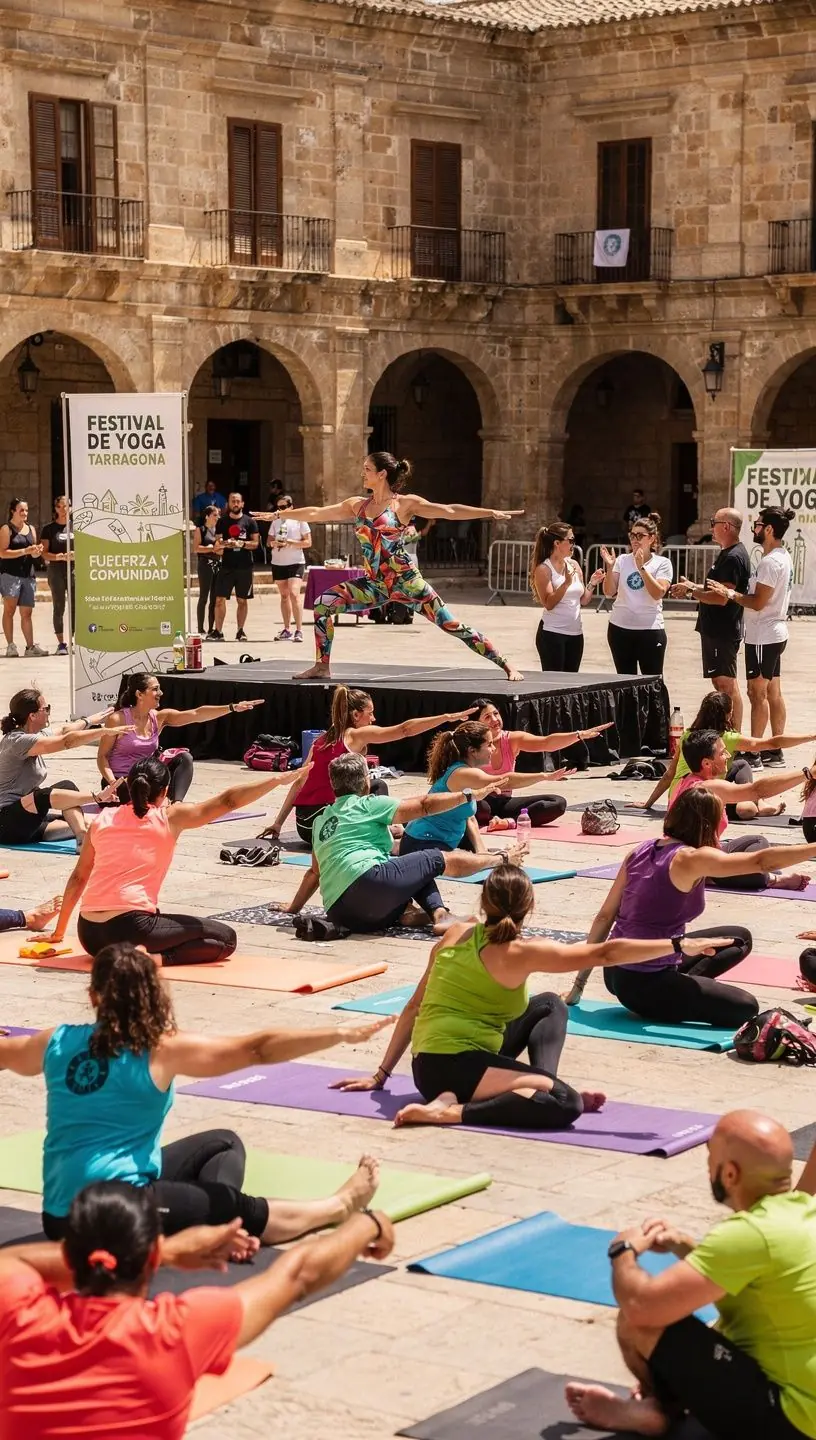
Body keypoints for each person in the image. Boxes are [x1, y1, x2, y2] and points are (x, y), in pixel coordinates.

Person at [0, 940, 392, 1246]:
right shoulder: (160, 1049)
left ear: (93, 997)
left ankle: (198, 1220)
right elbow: (257, 1049)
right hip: (112, 1217)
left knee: (222, 1144)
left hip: (58, 1217)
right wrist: (339, 1033)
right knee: (237, 1207)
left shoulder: (55, 1042)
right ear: (154, 995)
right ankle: (337, 1207)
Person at [330, 863, 731, 1131]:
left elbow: (414, 1007)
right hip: (451, 1068)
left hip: (429, 1064)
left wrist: (381, 1075)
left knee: (550, 1004)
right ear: (530, 906)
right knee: (566, 1103)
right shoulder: (522, 951)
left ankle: (531, 1084)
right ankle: (452, 1111)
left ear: (483, 902)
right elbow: (606, 953)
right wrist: (678, 945)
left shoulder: (455, 933)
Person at [0, 1180, 393, 1440]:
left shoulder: (18, 1314)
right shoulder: (177, 1331)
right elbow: (298, 1276)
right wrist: (368, 1225)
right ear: (150, 1255)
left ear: (70, 1254)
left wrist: (163, 1252)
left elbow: (12, 1261)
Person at [566, 1110, 816, 1440]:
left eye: (710, 1156)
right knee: (714, 1325)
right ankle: (657, 1405)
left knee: (640, 1319)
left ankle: (659, 1411)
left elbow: (642, 1306)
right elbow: (754, 1275)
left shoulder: (748, 1234)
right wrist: (683, 1244)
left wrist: (622, 1250)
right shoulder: (804, 1212)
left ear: (730, 1173)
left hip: (792, 1422)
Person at [569, 785, 816, 1027]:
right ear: (707, 823)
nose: (725, 822)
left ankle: (678, 987)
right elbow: (761, 861)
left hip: (615, 972)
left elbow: (605, 917)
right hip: (643, 982)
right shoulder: (692, 858)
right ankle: (669, 993)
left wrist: (578, 986)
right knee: (745, 1007)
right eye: (721, 816)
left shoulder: (640, 850)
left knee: (739, 939)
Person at [273, 452, 523, 680]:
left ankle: (505, 663)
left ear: (382, 474)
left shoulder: (404, 504)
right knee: (323, 604)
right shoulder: (357, 505)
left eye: (367, 469)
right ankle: (322, 667)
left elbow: (448, 510)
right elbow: (316, 513)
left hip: (408, 583)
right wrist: (279, 515)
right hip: (374, 585)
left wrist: (489, 512)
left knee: (453, 626)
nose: (362, 473)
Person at [51, 755, 307, 963]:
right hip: (131, 930)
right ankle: (154, 960)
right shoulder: (169, 817)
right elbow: (228, 801)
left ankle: (143, 950)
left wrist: (59, 932)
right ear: (164, 791)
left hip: (90, 935)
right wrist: (276, 780)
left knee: (166, 923)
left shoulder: (102, 819)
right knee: (226, 939)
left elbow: (79, 877)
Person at [311, 751, 526, 934]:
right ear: (365, 782)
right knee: (433, 858)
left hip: (342, 914)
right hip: (371, 889)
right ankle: (501, 860)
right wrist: (469, 795)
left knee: (412, 867)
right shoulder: (367, 804)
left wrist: (295, 909)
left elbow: (314, 873)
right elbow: (424, 805)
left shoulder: (321, 820)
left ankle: (420, 912)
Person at [266, 686, 478, 848]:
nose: (374, 719)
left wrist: (278, 824)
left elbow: (298, 783)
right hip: (327, 826)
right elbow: (404, 730)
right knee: (378, 790)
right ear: (356, 715)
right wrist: (446, 718)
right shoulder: (355, 735)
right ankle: (385, 832)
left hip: (305, 826)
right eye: (370, 713)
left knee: (375, 785)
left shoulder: (320, 740)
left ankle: (386, 828)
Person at [399, 721, 570, 863]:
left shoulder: (466, 772)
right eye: (489, 745)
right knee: (483, 862)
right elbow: (505, 780)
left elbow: (469, 818)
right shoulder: (461, 773)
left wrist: (482, 851)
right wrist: (544, 776)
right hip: (422, 842)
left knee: (485, 859)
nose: (493, 749)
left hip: (441, 842)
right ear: (472, 751)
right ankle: (396, 847)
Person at [661, 728, 811, 887]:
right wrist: (806, 774)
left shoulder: (685, 780)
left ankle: (755, 874)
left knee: (757, 846)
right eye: (722, 753)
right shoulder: (708, 788)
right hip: (697, 862)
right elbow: (757, 790)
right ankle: (772, 880)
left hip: (684, 856)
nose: (728, 756)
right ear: (706, 763)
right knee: (760, 851)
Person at [708, 505, 795, 768]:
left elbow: (758, 602)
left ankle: (755, 753)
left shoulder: (770, 562)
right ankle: (775, 751)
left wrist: (729, 594)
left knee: (756, 693)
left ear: (768, 529)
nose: (753, 528)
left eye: (757, 524)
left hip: (763, 634)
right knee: (772, 692)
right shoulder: (781, 556)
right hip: (773, 631)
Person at [642, 690, 816, 820]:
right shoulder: (726, 738)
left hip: (676, 799)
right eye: (723, 752)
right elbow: (773, 743)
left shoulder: (688, 736)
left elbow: (669, 774)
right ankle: (753, 803)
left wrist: (648, 803)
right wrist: (811, 737)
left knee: (739, 764)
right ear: (727, 715)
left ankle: (753, 803)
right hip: (700, 801)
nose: (725, 753)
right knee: (744, 771)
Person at [97, 672, 263, 805]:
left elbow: (196, 714)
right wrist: (112, 783)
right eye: (155, 689)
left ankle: (176, 804)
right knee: (135, 800)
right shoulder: (117, 719)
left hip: (146, 781)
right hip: (120, 783)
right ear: (139, 694)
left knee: (184, 758)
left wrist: (232, 707)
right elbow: (102, 756)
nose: (160, 693)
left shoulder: (159, 717)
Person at [0, 690, 128, 846]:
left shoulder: (34, 735)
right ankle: (96, 800)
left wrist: (90, 720)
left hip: (28, 819)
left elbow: (64, 730)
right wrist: (103, 732)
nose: (49, 712)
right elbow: (67, 741)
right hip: (7, 823)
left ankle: (82, 835)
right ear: (32, 715)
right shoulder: (17, 741)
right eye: (46, 709)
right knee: (41, 796)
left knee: (67, 788)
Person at [470, 698, 613, 825]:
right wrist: (543, 776)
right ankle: (490, 818)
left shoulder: (511, 739)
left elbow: (546, 742)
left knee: (557, 803)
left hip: (504, 802)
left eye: (496, 714)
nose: (495, 719)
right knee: (479, 806)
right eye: (487, 717)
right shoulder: (469, 745)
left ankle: (508, 821)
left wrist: (579, 735)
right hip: (481, 800)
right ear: (476, 723)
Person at [672, 506, 751, 730]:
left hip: (722, 630)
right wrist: (693, 586)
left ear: (726, 526)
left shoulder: (733, 557)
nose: (710, 528)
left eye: (713, 523)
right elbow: (716, 589)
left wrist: (691, 591)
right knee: (722, 682)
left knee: (726, 685)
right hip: (717, 629)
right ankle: (729, 732)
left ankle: (733, 734)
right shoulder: (728, 553)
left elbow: (721, 598)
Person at [602, 514, 672, 676]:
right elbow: (609, 592)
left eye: (640, 536)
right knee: (625, 681)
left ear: (652, 539)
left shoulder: (662, 563)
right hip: (620, 628)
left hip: (650, 630)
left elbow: (658, 593)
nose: (635, 539)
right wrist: (610, 567)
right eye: (632, 535)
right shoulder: (622, 560)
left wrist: (641, 568)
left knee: (652, 681)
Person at [530, 521, 603, 672]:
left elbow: (583, 600)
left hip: (575, 633)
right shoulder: (544, 569)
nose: (573, 544)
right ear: (557, 543)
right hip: (552, 633)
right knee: (555, 681)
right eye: (570, 540)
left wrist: (592, 583)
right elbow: (549, 603)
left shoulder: (574, 565)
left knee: (571, 680)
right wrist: (566, 583)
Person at [0, 497, 46, 658]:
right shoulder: (6, 529)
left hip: (28, 575)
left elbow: (33, 554)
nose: (25, 513)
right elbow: (2, 553)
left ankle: (30, 647)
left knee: (27, 613)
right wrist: (25, 551)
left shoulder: (31, 529)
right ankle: (11, 646)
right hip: (10, 575)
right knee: (9, 611)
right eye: (21, 510)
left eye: (26, 510)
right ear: (13, 511)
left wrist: (36, 551)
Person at [211, 492, 259, 642]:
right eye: (233, 501)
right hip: (226, 566)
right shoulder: (222, 522)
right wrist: (225, 544)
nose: (236, 504)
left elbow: (255, 544)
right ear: (228, 503)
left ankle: (240, 631)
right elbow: (218, 543)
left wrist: (241, 544)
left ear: (242, 503)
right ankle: (218, 631)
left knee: (242, 600)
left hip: (245, 567)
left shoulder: (250, 522)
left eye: (238, 501)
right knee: (219, 599)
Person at [269, 494, 311, 643]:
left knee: (294, 594)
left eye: (284, 507)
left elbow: (308, 542)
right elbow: (269, 540)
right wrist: (274, 543)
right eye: (279, 507)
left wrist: (290, 542)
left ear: (291, 507)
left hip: (296, 562)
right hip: (278, 562)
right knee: (284, 596)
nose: (281, 510)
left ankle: (299, 630)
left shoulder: (300, 520)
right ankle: (287, 629)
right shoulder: (275, 521)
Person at [39, 495, 74, 656]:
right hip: (56, 571)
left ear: (71, 508)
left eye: (66, 506)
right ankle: (61, 643)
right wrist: (58, 557)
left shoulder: (77, 527)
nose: (63, 509)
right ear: (55, 509)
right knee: (59, 606)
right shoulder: (49, 529)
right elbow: (44, 553)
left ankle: (73, 640)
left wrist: (76, 555)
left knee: (76, 606)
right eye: (60, 506)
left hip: (74, 570)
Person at [192, 503, 223, 638]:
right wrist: (211, 548)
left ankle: (211, 628)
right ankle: (200, 627)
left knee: (215, 598)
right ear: (207, 516)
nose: (217, 517)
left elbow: (221, 549)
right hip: (205, 564)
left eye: (218, 515)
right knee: (204, 596)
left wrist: (219, 549)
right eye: (215, 515)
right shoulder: (201, 530)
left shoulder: (219, 531)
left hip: (217, 564)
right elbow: (196, 548)